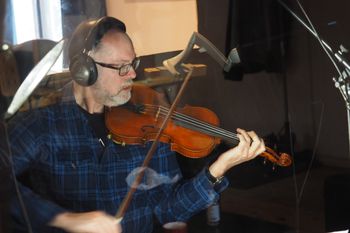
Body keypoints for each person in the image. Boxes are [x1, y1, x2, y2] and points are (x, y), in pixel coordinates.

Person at [6, 16, 265, 233]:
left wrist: (219, 169)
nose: (133, 75)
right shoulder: (44, 121)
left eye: (133, 64)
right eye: (121, 67)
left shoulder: (149, 119)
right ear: (84, 70)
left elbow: (168, 210)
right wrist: (65, 219)